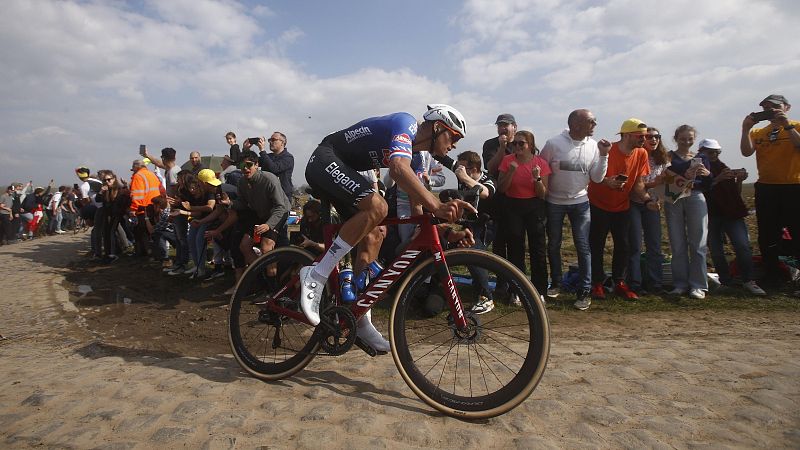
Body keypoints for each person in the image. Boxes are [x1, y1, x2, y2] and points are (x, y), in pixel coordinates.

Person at [299, 104, 473, 352]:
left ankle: (358, 317)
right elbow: (397, 170)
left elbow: (415, 196)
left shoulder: (415, 153)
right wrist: (436, 204)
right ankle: (315, 274)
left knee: (375, 234)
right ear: (436, 127)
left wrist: (437, 223)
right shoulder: (406, 124)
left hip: (344, 168)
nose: (454, 144)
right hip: (325, 159)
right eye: (453, 136)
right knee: (378, 207)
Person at [539, 109, 609, 310]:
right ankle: (557, 282)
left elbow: (597, 178)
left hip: (580, 202)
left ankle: (584, 290)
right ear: (576, 124)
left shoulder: (594, 146)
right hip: (554, 202)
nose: (595, 124)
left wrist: (603, 156)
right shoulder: (554, 144)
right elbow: (543, 169)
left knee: (583, 246)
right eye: (591, 121)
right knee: (554, 244)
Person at [587, 118, 658, 304]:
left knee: (623, 246)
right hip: (598, 203)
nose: (644, 139)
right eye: (640, 136)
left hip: (622, 206)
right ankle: (597, 283)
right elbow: (591, 175)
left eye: (646, 136)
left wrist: (647, 199)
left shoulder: (642, 153)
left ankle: (619, 282)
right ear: (626, 135)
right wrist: (607, 182)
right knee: (597, 245)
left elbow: (638, 183)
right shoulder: (608, 150)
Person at [740, 94, 800, 288]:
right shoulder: (759, 132)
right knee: (767, 234)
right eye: (766, 108)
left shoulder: (796, 126)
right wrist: (745, 128)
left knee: (797, 231)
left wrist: (787, 125)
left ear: (787, 107)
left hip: (793, 186)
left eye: (774, 107)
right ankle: (772, 274)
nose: (770, 110)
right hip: (767, 187)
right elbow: (746, 152)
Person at [206, 151, 289, 291]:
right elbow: (243, 204)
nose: (245, 168)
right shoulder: (242, 182)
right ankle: (262, 279)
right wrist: (230, 203)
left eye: (249, 165)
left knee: (266, 247)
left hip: (278, 214)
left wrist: (268, 225)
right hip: (261, 215)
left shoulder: (270, 179)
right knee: (244, 245)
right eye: (242, 165)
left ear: (257, 165)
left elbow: (280, 207)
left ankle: (274, 290)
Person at [700, 138, 766, 296]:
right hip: (710, 214)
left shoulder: (723, 167)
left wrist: (738, 180)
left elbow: (734, 193)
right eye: (710, 152)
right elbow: (698, 190)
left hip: (731, 213)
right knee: (716, 251)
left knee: (742, 246)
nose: (714, 155)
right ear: (702, 152)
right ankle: (725, 281)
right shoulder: (698, 168)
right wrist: (717, 179)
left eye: (717, 152)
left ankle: (748, 280)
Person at [497, 130, 551, 301]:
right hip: (513, 206)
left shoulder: (540, 163)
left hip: (534, 206)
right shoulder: (507, 161)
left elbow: (543, 194)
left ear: (531, 146)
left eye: (522, 143)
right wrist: (511, 172)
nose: (517, 147)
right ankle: (517, 290)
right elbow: (501, 189)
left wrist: (537, 178)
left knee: (538, 248)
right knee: (515, 248)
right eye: (515, 144)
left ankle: (539, 290)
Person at [662, 125, 712, 299]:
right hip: (675, 197)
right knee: (677, 243)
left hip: (696, 196)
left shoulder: (702, 157)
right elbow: (666, 177)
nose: (687, 141)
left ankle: (698, 285)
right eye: (683, 138)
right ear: (676, 138)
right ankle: (680, 284)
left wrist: (707, 174)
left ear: (694, 138)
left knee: (698, 243)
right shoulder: (668, 156)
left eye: (690, 138)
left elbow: (708, 184)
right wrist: (685, 172)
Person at [627, 126, 669, 295]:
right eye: (649, 137)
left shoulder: (663, 160)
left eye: (656, 137)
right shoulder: (636, 156)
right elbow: (636, 185)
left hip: (654, 204)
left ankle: (655, 283)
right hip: (635, 203)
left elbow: (668, 182)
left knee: (654, 245)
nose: (653, 140)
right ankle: (635, 283)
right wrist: (655, 183)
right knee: (635, 245)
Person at [244, 131, 294, 246]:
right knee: (270, 235)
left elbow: (274, 168)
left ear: (283, 142)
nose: (270, 142)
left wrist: (262, 151)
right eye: (270, 140)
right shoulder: (268, 156)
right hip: (268, 200)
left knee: (281, 233)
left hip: (283, 201)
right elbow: (250, 164)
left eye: (274, 140)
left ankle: (286, 260)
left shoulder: (288, 158)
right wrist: (246, 150)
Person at [483, 114, 517, 273]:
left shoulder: (521, 143)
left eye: (506, 125)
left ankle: (516, 280)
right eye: (500, 125)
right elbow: (491, 168)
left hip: (517, 197)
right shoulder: (490, 144)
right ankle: (501, 282)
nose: (503, 128)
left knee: (515, 241)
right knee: (498, 240)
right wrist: (502, 149)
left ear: (514, 127)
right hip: (498, 199)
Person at [182, 169, 219, 279]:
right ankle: (197, 264)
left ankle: (201, 268)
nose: (193, 189)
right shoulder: (194, 193)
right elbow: (197, 211)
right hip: (200, 219)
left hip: (209, 219)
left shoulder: (209, 191)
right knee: (191, 239)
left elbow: (210, 207)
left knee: (199, 240)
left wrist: (190, 209)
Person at [129, 159, 163, 257]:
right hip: (154, 206)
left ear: (136, 167)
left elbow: (137, 195)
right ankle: (155, 253)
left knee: (142, 233)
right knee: (153, 232)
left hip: (143, 208)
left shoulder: (138, 176)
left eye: (133, 169)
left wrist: (133, 209)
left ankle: (144, 254)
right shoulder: (152, 175)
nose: (133, 171)